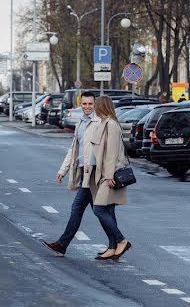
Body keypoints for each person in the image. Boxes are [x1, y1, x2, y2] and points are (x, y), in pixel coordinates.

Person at [41, 91, 97, 256]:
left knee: (78, 207)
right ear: (81, 104)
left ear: (95, 105)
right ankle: (118, 241)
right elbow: (74, 148)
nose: (87, 107)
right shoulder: (80, 123)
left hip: (92, 172)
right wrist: (62, 170)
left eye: (90, 104)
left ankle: (62, 244)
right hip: (82, 171)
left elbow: (102, 149)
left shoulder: (98, 123)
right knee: (101, 211)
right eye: (85, 104)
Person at [84, 95, 132, 260]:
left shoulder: (111, 125)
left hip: (109, 175)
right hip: (103, 172)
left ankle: (122, 240)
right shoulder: (104, 123)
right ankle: (112, 247)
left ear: (102, 107)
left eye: (96, 105)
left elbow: (111, 152)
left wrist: (109, 176)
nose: (94, 108)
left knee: (99, 209)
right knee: (109, 210)